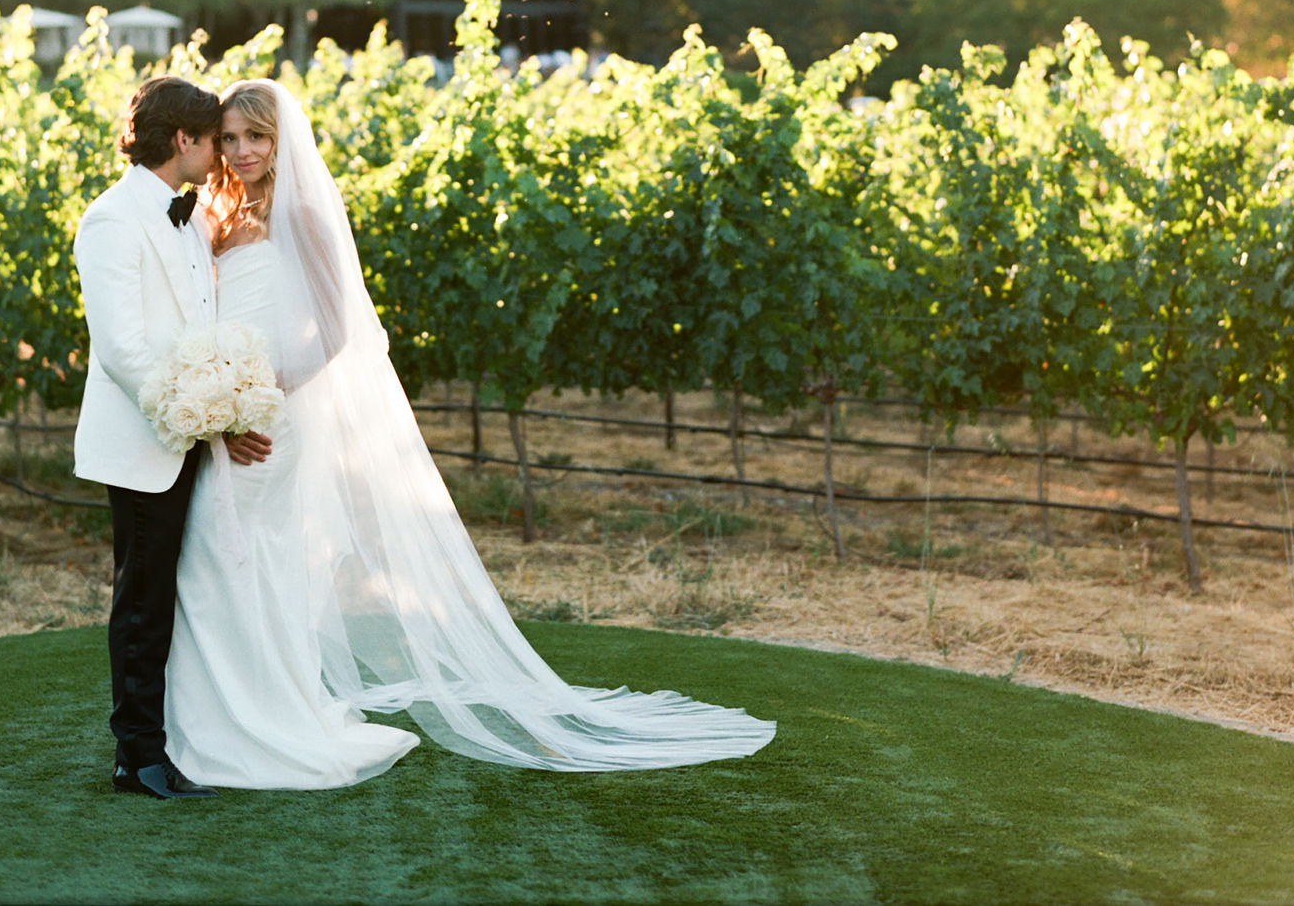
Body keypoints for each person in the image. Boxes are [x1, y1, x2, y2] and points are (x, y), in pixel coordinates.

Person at [160, 78, 775, 788]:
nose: (240, 150)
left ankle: (257, 722)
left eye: (255, 136)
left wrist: (251, 403)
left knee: (225, 557)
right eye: (230, 137)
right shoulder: (218, 211)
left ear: (282, 139)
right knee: (231, 567)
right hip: (227, 419)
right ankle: (236, 715)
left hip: (266, 423)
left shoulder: (303, 212)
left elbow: (334, 331)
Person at [72, 75, 273, 800]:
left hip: (191, 437)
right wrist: (207, 413)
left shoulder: (188, 217)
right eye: (214, 138)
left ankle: (177, 740)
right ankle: (137, 757)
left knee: (176, 594)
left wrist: (225, 407)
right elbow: (123, 349)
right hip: (143, 437)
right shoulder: (111, 219)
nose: (223, 152)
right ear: (182, 139)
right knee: (143, 599)